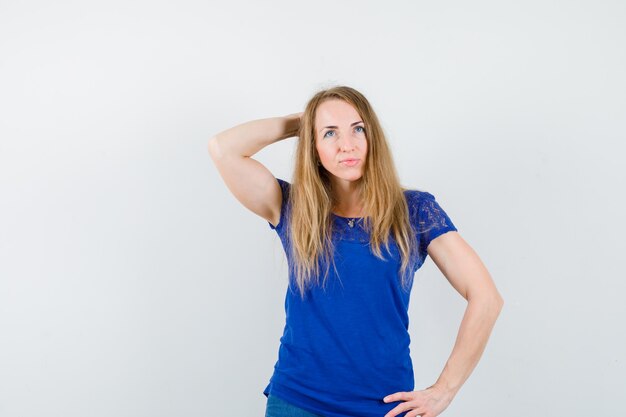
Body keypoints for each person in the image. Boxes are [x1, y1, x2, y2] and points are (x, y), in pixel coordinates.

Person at [208, 85, 504, 417]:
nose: (347, 145)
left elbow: (486, 298)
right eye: (330, 133)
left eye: (358, 129)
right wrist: (300, 124)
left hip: (386, 406)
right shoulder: (293, 207)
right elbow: (223, 149)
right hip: (298, 401)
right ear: (313, 146)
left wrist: (443, 391)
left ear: (372, 137)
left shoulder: (414, 211)